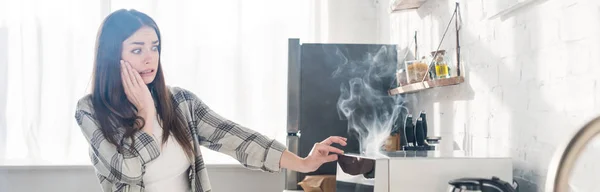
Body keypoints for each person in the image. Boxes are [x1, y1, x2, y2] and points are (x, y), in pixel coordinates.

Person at [74, 9, 346, 192]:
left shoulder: (179, 102)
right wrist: (145, 112)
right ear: (112, 56)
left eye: (154, 47)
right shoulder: (91, 112)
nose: (150, 57)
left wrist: (304, 163)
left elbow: (236, 138)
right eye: (137, 49)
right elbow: (129, 173)